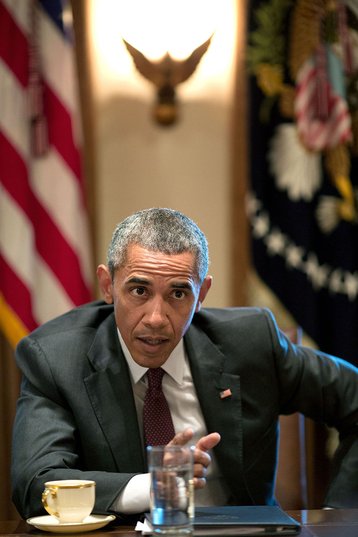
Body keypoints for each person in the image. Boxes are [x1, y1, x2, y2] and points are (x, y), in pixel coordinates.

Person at [11, 208, 358, 520]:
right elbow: (37, 484)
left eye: (178, 293)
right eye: (139, 291)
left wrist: (339, 515)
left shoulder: (251, 342)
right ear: (107, 285)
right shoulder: (56, 359)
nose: (157, 318)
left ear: (202, 294)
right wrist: (153, 486)